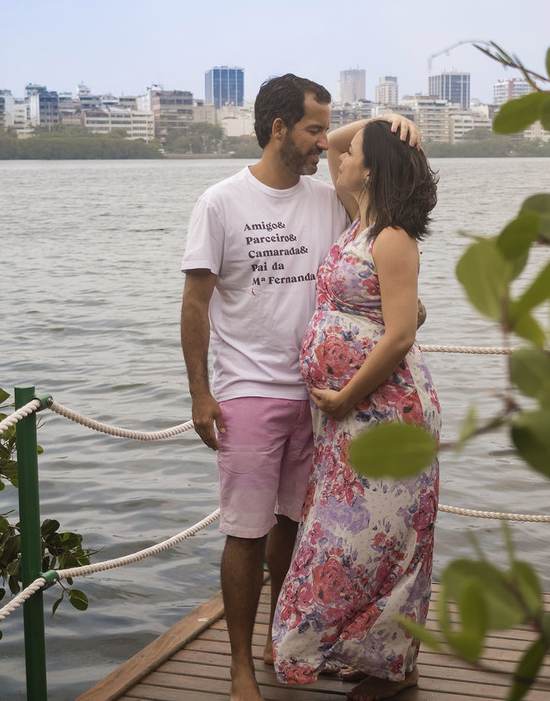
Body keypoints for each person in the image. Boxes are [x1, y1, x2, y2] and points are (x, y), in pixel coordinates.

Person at [180, 73, 351, 701]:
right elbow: (195, 304)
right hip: (248, 391)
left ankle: (282, 642)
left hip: (318, 395)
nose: (325, 142)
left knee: (293, 525)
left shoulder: (328, 202)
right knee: (246, 531)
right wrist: (200, 393)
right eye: (313, 129)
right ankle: (239, 667)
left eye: (329, 130)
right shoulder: (221, 202)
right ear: (278, 128)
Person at [272, 118, 440, 701]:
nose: (336, 156)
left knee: (385, 540)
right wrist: (380, 123)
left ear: (370, 170)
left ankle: (394, 667)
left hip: (386, 412)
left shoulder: (392, 237)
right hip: (349, 419)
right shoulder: (358, 220)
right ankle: (366, 655)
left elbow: (400, 336)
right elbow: (339, 141)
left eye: (353, 154)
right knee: (352, 536)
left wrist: (346, 396)